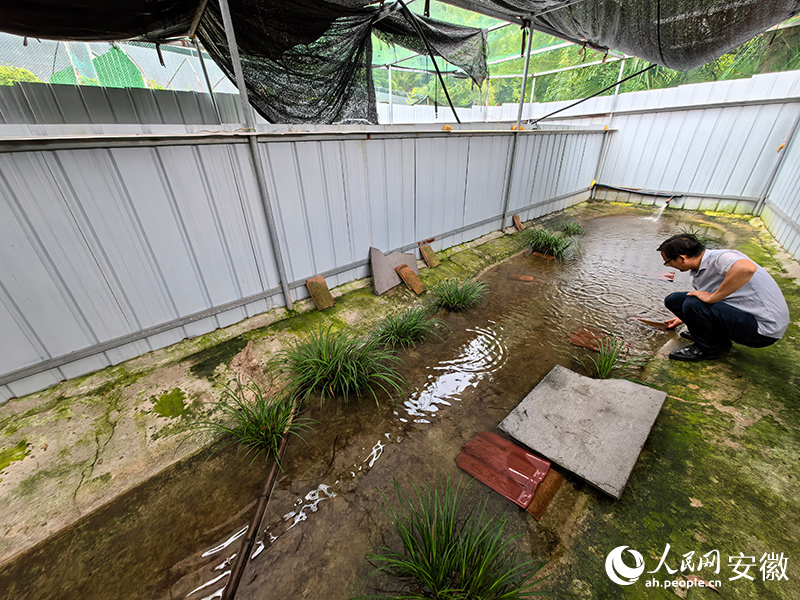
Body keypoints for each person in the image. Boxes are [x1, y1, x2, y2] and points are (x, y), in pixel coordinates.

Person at [657, 233, 790, 362]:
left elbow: (747, 268)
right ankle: (716, 339)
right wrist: (684, 318)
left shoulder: (722, 257)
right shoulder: (699, 269)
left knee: (693, 302)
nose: (670, 266)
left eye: (668, 262)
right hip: (744, 316)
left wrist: (713, 298)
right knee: (674, 300)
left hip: (762, 330)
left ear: (682, 258)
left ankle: (706, 349)